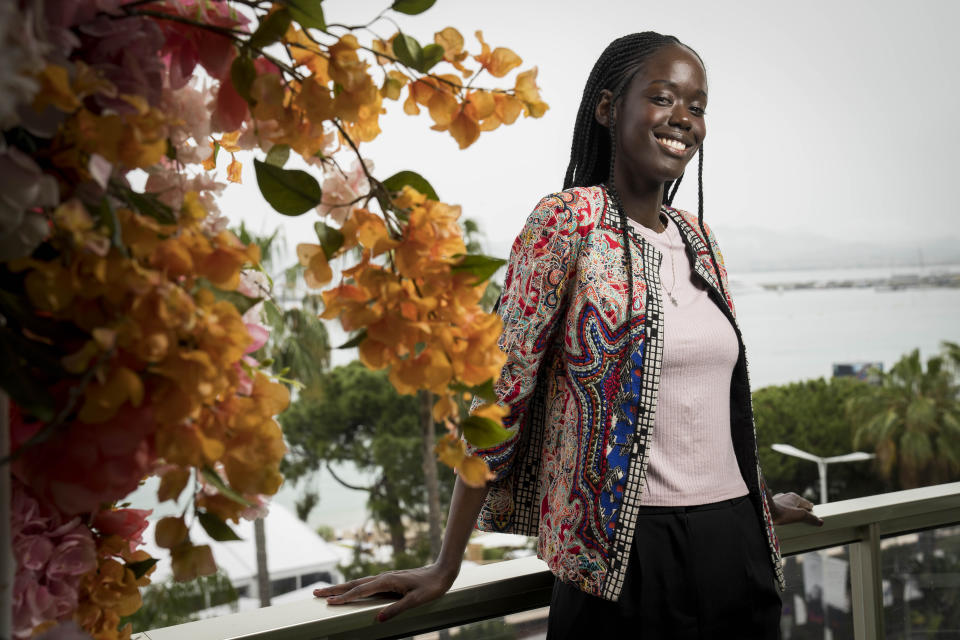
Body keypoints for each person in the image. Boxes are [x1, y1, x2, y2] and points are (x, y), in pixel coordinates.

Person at [315, 31, 823, 638]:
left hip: (736, 545)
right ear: (609, 109)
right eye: (664, 98)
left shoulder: (700, 239)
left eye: (698, 106)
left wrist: (757, 499)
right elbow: (501, 396)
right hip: (622, 557)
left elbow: (709, 408)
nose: (683, 119)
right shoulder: (565, 222)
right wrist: (445, 564)